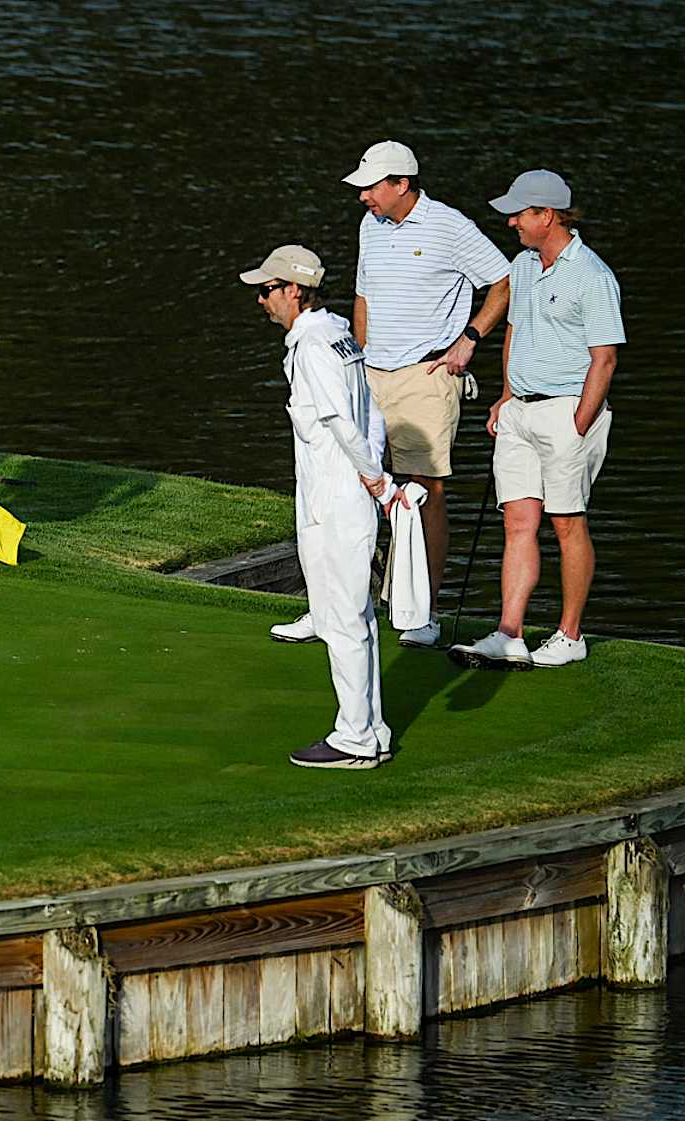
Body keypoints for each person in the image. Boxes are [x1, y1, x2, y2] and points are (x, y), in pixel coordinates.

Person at [274, 141, 510, 649]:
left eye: (370, 188)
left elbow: (504, 281)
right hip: (370, 373)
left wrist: (468, 341)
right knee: (348, 482)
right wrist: (356, 360)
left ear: (402, 184)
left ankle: (420, 614)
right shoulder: (371, 225)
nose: (363, 198)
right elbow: (363, 295)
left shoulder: (450, 225)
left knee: (425, 493)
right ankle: (332, 604)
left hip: (426, 375)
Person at [451, 171, 622, 670]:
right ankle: (510, 633)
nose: (511, 222)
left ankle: (571, 635)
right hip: (521, 412)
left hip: (568, 412)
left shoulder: (592, 275)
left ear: (546, 216)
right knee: (519, 523)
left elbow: (604, 359)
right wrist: (506, 396)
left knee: (567, 522)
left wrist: (580, 422)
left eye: (520, 214)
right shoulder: (524, 265)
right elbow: (515, 332)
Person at [243, 245, 397, 769]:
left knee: (342, 619)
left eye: (267, 291)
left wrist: (375, 479)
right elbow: (371, 413)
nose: (262, 300)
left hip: (336, 500)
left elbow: (341, 420)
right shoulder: (336, 334)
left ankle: (354, 738)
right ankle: (372, 727)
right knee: (357, 617)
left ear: (294, 290)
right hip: (341, 493)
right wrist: (374, 472)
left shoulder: (312, 346)